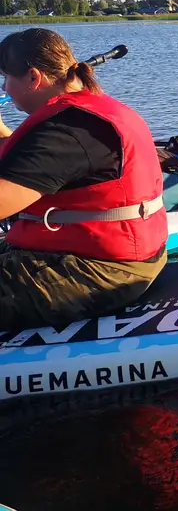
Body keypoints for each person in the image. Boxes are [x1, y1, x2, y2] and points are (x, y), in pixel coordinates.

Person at [0, 28, 168, 332]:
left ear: (34, 78)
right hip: (116, 258)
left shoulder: (68, 131)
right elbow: (30, 165)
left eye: (6, 78)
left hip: (102, 271)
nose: (5, 88)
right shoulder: (86, 113)